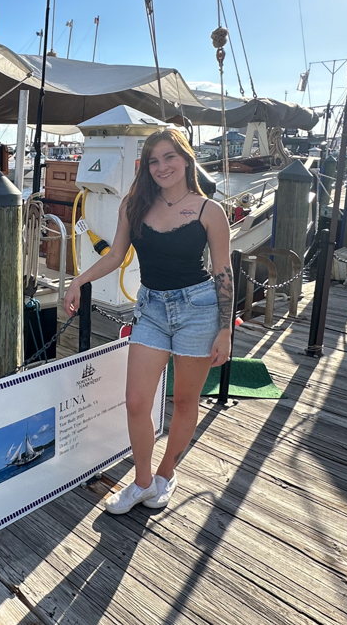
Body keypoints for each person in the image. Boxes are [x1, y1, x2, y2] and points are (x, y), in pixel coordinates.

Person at [63, 129, 233, 515]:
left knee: (185, 401)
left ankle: (165, 473)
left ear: (186, 159)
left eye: (169, 157)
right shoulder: (134, 204)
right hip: (151, 308)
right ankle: (142, 482)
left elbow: (223, 271)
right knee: (137, 401)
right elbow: (115, 255)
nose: (162, 167)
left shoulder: (209, 211)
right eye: (154, 160)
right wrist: (79, 280)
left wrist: (225, 329)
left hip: (199, 309)